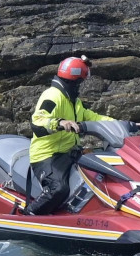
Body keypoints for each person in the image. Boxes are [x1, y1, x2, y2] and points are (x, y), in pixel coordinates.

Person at [25, 56, 115, 216]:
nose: (81, 86)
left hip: (70, 154)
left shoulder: (74, 101)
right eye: (80, 82)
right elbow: (37, 121)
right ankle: (29, 214)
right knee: (59, 189)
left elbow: (92, 117)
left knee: (105, 170)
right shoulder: (52, 96)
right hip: (47, 156)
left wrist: (123, 124)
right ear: (73, 81)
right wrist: (58, 123)